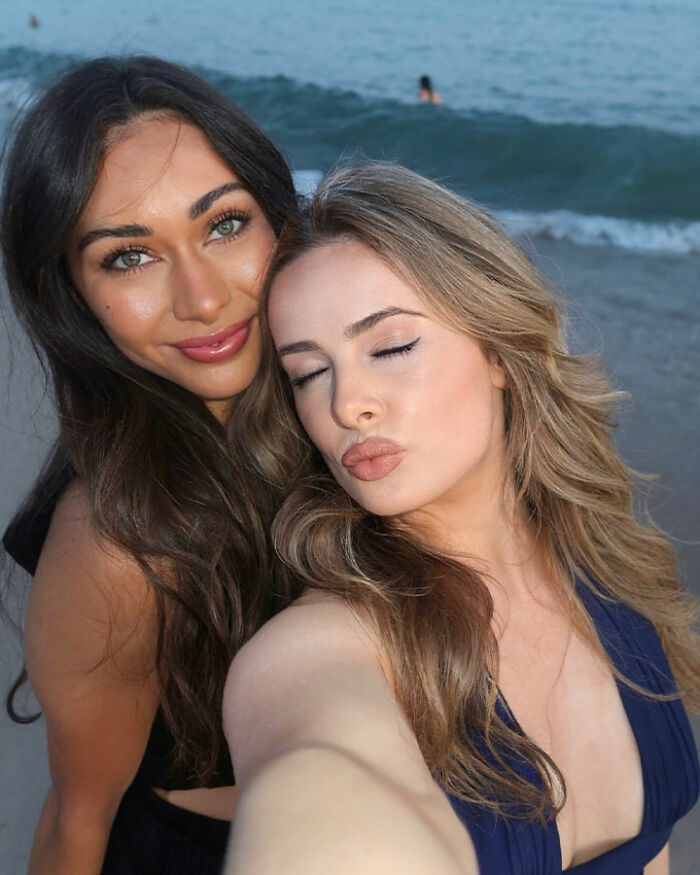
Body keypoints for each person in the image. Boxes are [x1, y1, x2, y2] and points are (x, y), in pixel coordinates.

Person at [222, 163, 700, 874]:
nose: (347, 403)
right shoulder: (313, 652)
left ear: (499, 350)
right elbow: (319, 784)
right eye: (308, 373)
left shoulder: (612, 574)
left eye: (390, 347)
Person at [1, 56, 300, 873]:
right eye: (128, 257)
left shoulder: (357, 421)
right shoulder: (117, 541)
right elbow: (76, 821)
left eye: (224, 224)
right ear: (72, 292)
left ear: (279, 217)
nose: (201, 298)